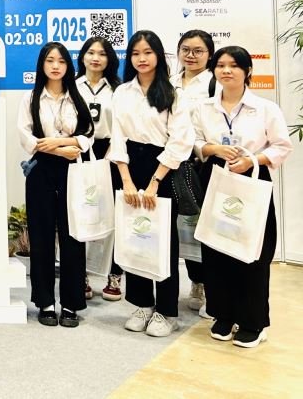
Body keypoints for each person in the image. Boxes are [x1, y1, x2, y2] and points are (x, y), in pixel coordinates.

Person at [192, 45, 292, 348]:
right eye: (220, 65)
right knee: (216, 247)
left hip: (251, 178)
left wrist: (252, 160)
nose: (226, 71)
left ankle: (252, 321)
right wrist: (214, 149)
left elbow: (282, 146)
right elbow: (194, 141)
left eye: (234, 65)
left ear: (248, 71)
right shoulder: (204, 108)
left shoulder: (264, 108)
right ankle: (223, 314)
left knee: (252, 250)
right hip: (216, 177)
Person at [109, 30, 195, 337]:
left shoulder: (173, 94)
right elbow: (117, 137)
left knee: (163, 239)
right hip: (130, 166)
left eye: (147, 52)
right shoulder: (122, 92)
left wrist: (155, 181)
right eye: (136, 53)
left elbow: (180, 141)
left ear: (158, 55)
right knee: (135, 235)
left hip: (163, 168)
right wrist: (127, 181)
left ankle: (166, 311)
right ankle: (142, 304)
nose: (141, 59)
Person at [17, 42, 94, 328]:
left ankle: (71, 303)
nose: (55, 66)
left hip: (73, 170)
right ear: (42, 65)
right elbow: (27, 138)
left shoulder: (77, 95)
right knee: (41, 236)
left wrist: (64, 144)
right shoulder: (31, 98)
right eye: (50, 60)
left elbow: (88, 135)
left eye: (61, 61)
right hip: (41, 170)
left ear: (68, 66)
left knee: (73, 236)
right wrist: (60, 148)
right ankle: (45, 302)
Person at [169, 29, 215, 317]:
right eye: (185, 49)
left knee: (206, 226)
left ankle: (212, 286)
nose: (191, 55)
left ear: (209, 54)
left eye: (198, 50)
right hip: (175, 162)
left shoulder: (213, 83)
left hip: (203, 162)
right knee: (182, 224)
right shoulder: (170, 82)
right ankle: (196, 281)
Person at [76, 36, 123, 302]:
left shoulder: (119, 89)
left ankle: (114, 276)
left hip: (110, 154)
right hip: (77, 152)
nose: (96, 58)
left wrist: (110, 155)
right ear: (83, 56)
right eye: (91, 52)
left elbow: (123, 127)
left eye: (102, 54)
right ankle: (80, 274)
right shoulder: (71, 85)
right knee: (80, 213)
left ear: (110, 59)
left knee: (112, 216)